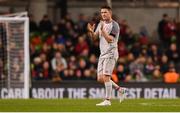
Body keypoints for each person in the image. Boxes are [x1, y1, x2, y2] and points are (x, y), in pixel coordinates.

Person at [87, 5, 127, 106]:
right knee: (100, 78)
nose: (103, 14)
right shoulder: (101, 23)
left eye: (105, 12)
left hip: (111, 53)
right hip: (103, 53)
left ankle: (107, 100)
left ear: (110, 13)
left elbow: (110, 39)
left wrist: (103, 30)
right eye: (102, 12)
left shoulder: (115, 25)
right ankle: (120, 89)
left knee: (106, 76)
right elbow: (94, 38)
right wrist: (91, 32)